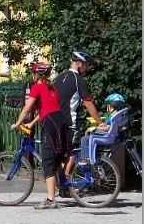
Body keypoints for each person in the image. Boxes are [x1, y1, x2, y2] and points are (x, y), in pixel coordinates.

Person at [13, 62, 69, 209]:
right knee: (58, 156)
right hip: (59, 121)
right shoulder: (52, 88)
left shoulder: (37, 87)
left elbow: (27, 107)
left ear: (37, 74)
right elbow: (47, 109)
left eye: (34, 73)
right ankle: (64, 184)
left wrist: (18, 123)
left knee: (48, 161)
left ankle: (51, 200)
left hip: (50, 124)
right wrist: (31, 124)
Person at [52, 51, 104, 179]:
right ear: (79, 63)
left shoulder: (58, 78)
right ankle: (65, 181)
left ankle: (62, 183)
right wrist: (100, 122)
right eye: (86, 65)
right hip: (69, 123)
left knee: (58, 154)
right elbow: (88, 103)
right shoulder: (78, 80)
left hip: (54, 121)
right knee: (71, 153)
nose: (87, 68)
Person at [79, 93, 128, 164]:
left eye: (108, 105)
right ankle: (96, 156)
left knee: (85, 139)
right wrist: (102, 125)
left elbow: (108, 128)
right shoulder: (119, 116)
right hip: (114, 136)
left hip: (107, 137)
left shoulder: (113, 117)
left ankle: (86, 160)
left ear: (111, 106)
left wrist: (95, 128)